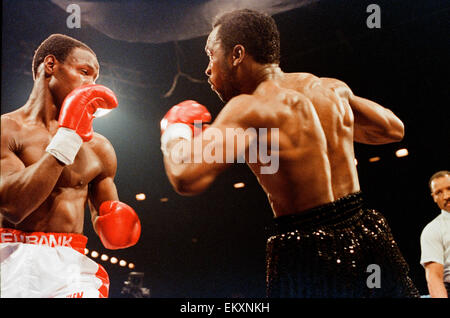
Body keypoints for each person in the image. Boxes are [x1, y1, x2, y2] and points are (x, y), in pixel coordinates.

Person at [159, 9, 420, 298]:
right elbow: (393, 129)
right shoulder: (331, 89)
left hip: (309, 253)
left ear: (237, 54)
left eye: (210, 54)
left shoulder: (249, 108)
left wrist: (175, 132)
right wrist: (332, 129)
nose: (207, 68)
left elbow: (185, 177)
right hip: (368, 235)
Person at [0, 34, 141, 298]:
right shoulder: (7, 130)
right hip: (11, 260)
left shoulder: (100, 148)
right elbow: (13, 207)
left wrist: (119, 226)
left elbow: (111, 229)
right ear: (50, 65)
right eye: (84, 72)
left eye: (95, 78)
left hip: (71, 268)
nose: (91, 84)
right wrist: (69, 136)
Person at [420, 170, 450, 298]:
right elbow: (434, 278)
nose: (446, 196)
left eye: (449, 188)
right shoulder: (432, 230)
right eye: (439, 192)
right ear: (434, 197)